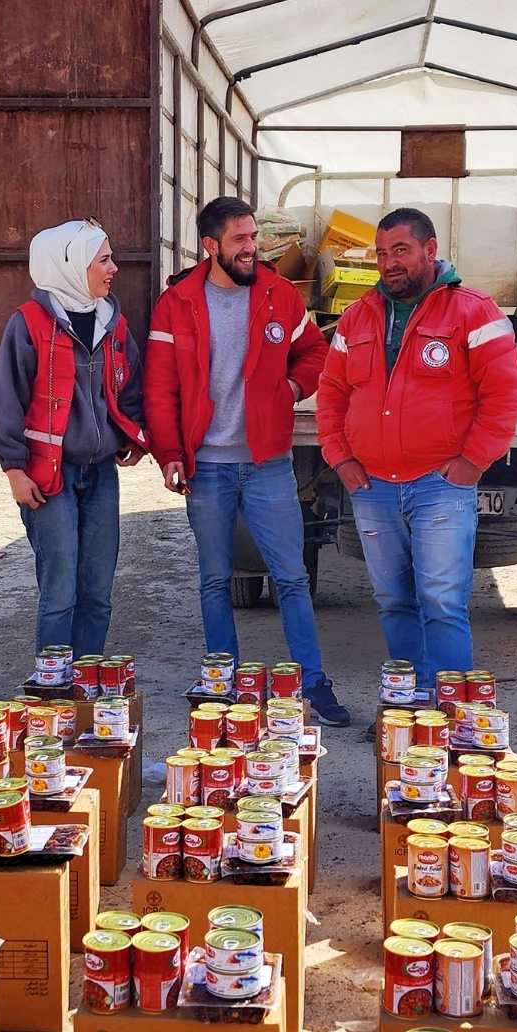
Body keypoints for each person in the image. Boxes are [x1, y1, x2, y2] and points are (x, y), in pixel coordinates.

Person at [144, 196, 351, 725]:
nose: (251, 248)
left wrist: (291, 388)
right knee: (215, 579)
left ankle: (313, 683)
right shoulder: (177, 303)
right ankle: (224, 682)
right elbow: (160, 388)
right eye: (239, 239)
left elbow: (316, 352)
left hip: (268, 464)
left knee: (292, 577)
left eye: (253, 237)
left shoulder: (279, 294)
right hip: (206, 467)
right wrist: (169, 454)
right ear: (210, 245)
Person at [315, 207, 517, 704]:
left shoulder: (474, 311)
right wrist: (341, 459)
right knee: (393, 601)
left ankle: (449, 713)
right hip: (372, 487)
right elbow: (331, 393)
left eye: (401, 250)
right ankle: (407, 706)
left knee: (442, 603)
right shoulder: (357, 316)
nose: (389, 263)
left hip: (440, 486)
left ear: (430, 250)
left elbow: (506, 394)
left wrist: (473, 462)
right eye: (381, 254)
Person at [0, 219, 147, 655]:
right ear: (72, 264)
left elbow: (129, 384)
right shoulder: (29, 323)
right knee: (60, 593)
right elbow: (4, 398)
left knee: (98, 593)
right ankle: (54, 684)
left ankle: (87, 680)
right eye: (104, 260)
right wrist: (14, 469)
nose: (113, 269)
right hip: (48, 477)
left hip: (101, 475)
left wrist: (132, 435)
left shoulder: (113, 322)